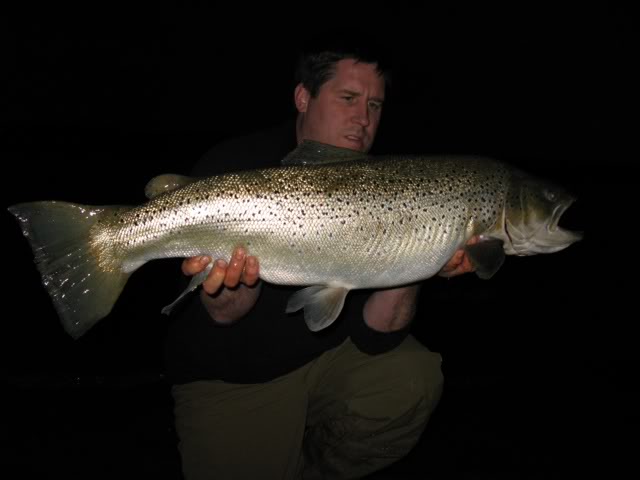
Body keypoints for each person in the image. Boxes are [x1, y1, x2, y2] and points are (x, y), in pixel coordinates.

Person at [165, 36, 475, 480]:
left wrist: (423, 254)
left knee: (414, 377)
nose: (362, 120)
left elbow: (377, 337)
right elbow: (224, 317)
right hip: (232, 378)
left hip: (325, 359)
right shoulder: (234, 167)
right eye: (348, 98)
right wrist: (233, 282)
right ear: (303, 97)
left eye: (375, 106)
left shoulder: (385, 184)